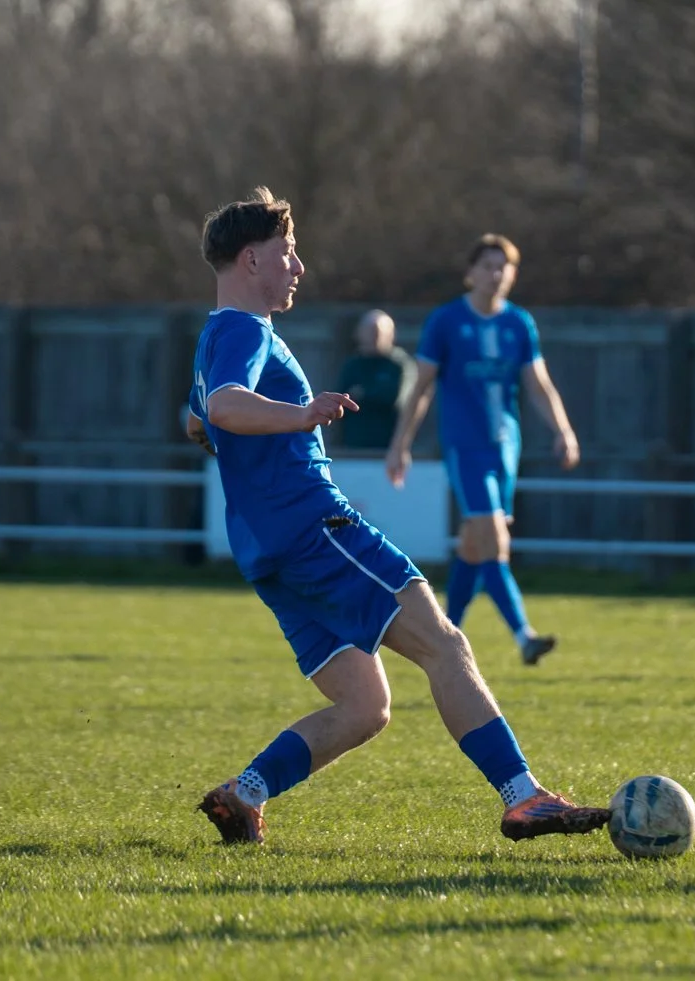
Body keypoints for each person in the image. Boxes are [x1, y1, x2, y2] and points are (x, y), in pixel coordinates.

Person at [186, 191, 607, 846]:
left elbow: (197, 416)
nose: (297, 267)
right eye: (287, 254)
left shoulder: (216, 334)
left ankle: (245, 794)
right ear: (250, 259)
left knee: (365, 705)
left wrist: (236, 432)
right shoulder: (244, 331)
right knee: (446, 643)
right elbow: (225, 405)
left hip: (268, 552)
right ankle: (524, 796)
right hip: (315, 530)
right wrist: (300, 415)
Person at [385, 235, 579, 666]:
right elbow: (421, 388)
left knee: (475, 548)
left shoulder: (519, 324)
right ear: (470, 273)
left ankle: (442, 637)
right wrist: (401, 444)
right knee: (495, 540)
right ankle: (524, 637)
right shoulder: (447, 322)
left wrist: (563, 429)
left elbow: (538, 384)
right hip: (465, 447)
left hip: (505, 447)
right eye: (488, 266)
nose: (496, 274)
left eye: (503, 267)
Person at [332, 310, 415, 453]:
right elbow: (342, 400)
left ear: (391, 334)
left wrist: (362, 394)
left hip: (388, 447)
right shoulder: (352, 365)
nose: (374, 337)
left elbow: (394, 399)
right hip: (353, 445)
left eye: (379, 332)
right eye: (370, 331)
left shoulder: (398, 365)